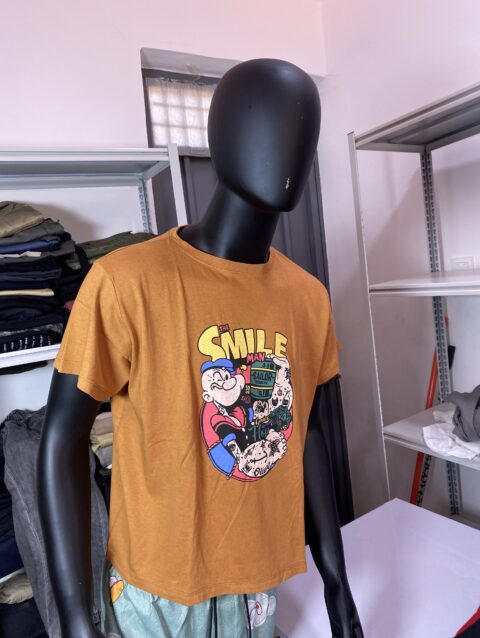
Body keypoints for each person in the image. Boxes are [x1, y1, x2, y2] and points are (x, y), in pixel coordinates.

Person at [38, 58, 363, 637]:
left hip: (259, 585)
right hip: (157, 596)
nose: (287, 153)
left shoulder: (307, 297)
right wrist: (75, 619)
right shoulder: (125, 281)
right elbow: (62, 440)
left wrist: (336, 583)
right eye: (267, 127)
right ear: (222, 140)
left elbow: (307, 431)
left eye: (302, 135)